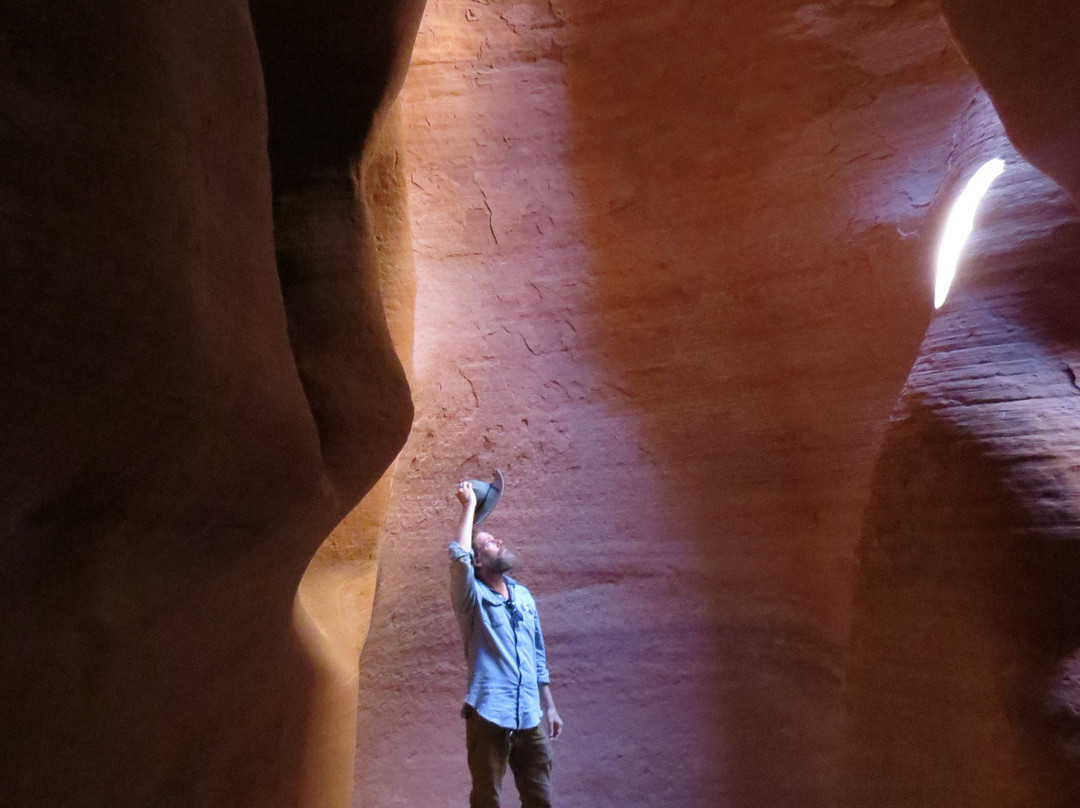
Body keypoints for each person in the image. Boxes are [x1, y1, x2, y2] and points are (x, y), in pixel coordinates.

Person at [450, 477, 563, 808]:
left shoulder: (525, 597)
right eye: (489, 543)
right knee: (487, 799)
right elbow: (458, 558)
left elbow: (537, 656)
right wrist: (470, 506)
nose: (498, 541)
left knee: (539, 798)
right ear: (479, 562)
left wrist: (550, 706)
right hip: (488, 714)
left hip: (530, 715)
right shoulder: (472, 600)